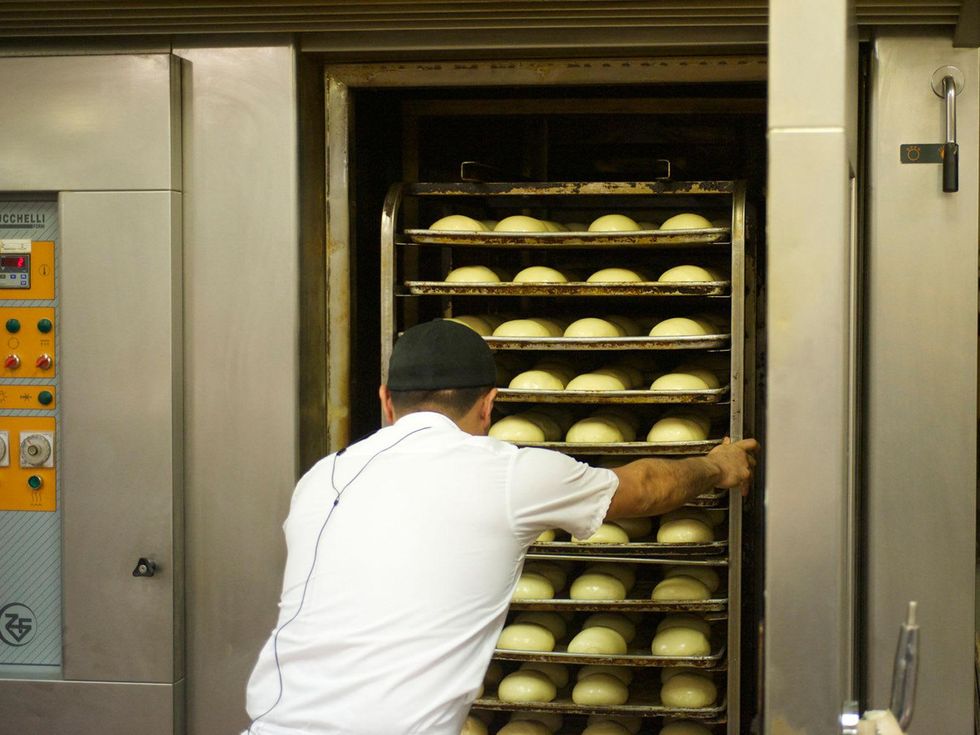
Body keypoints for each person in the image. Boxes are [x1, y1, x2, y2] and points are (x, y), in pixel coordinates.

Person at [243, 319, 758, 735]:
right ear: (489, 404)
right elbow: (644, 487)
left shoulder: (321, 477)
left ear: (385, 400)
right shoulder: (508, 472)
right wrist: (718, 465)